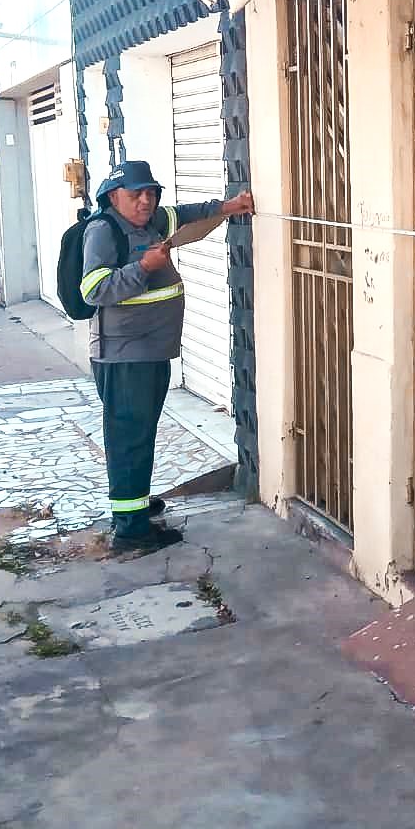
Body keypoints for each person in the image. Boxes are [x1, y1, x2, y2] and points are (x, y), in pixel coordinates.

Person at [80, 159, 254, 552]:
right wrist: (143, 266)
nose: (145, 201)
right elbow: (94, 290)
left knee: (141, 434)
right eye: (135, 194)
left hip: (151, 352)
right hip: (124, 356)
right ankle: (130, 530)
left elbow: (186, 214)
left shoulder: (152, 221)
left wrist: (229, 206)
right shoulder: (103, 231)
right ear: (113, 196)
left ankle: (136, 505)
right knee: (129, 438)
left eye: (151, 193)